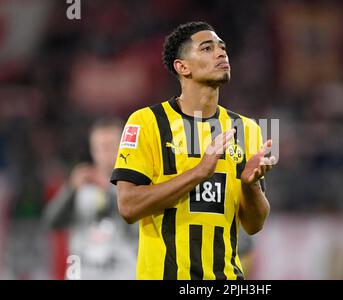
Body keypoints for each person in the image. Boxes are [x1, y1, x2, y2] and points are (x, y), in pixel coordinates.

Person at [110, 21, 276, 280]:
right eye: (207, 48)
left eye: (222, 48)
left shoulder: (247, 129)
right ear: (182, 66)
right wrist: (199, 172)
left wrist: (250, 185)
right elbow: (128, 207)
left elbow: (254, 225)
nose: (221, 53)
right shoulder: (146, 122)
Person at [43, 118, 138, 280]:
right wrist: (70, 189)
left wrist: (108, 189)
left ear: (123, 147)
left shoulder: (138, 185)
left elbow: (137, 230)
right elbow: (51, 222)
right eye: (99, 147)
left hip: (121, 274)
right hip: (82, 273)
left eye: (109, 146)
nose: (104, 153)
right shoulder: (81, 186)